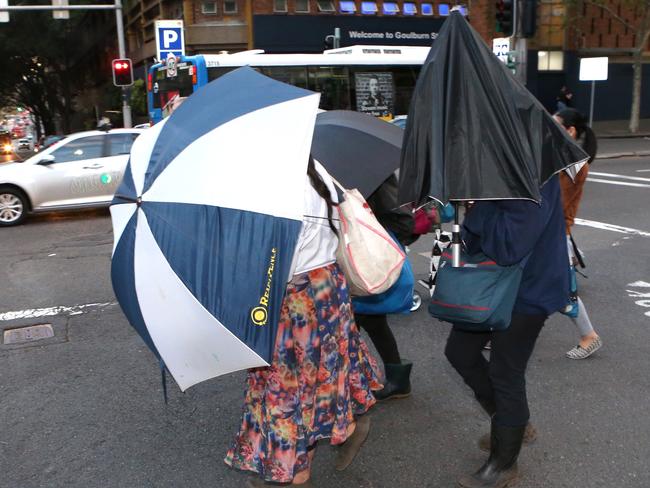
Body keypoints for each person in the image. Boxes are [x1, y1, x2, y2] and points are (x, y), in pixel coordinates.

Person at [225, 157, 381, 487]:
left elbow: (278, 260)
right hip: (327, 287)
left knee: (288, 386)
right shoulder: (317, 169)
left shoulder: (280, 188)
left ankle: (295, 471)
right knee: (321, 375)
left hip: (295, 297)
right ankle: (346, 429)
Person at [444, 175, 569, 488]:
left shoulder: (532, 169)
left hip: (530, 288)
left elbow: (510, 243)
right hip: (491, 283)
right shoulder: (497, 163)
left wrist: (477, 209)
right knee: (459, 352)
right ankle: (511, 422)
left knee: (505, 370)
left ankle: (504, 463)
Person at [353, 175, 436, 401]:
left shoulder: (371, 169)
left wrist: (385, 244)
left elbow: (401, 217)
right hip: (349, 256)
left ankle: (346, 385)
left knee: (358, 320)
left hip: (364, 255)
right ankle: (395, 380)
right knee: (367, 319)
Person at [554, 108, 603, 359]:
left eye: (555, 126)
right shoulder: (561, 157)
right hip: (546, 234)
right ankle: (494, 333)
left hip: (556, 235)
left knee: (564, 291)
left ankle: (589, 336)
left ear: (570, 131)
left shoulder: (576, 163)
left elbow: (556, 199)